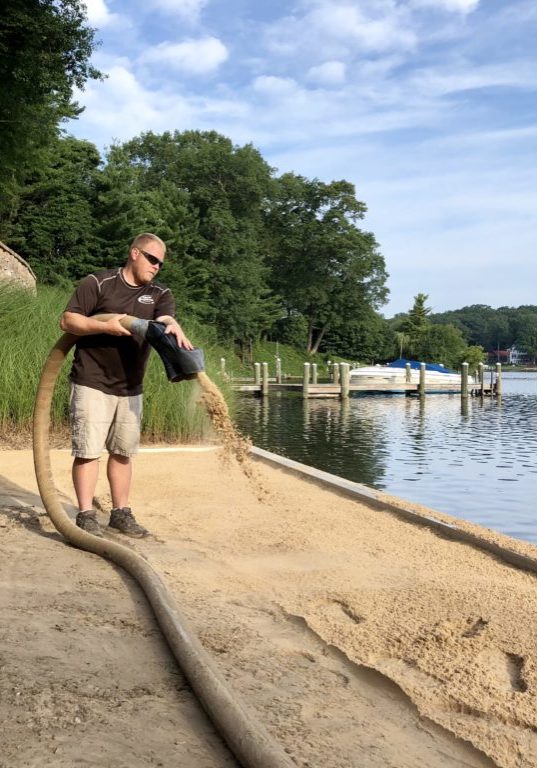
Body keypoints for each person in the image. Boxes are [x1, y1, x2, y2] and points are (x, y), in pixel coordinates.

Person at [60, 233, 193, 538]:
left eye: (161, 262)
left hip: (131, 386)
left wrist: (172, 325)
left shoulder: (160, 293)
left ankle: (120, 513)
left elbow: (165, 318)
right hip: (92, 380)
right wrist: (103, 325)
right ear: (134, 253)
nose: (157, 266)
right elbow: (68, 321)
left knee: (122, 452)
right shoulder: (98, 283)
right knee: (89, 450)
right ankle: (86, 514)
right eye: (152, 258)